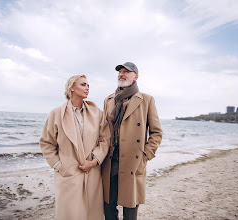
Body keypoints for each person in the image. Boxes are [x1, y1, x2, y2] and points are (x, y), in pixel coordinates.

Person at [39, 75, 110, 220]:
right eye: (83, 84)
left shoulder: (97, 113)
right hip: (68, 173)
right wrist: (59, 165)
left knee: (92, 214)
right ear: (72, 87)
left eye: (88, 85)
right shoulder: (56, 113)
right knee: (69, 214)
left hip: (92, 172)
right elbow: (47, 142)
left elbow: (106, 139)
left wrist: (94, 161)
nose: (87, 88)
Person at [102, 62, 163, 220]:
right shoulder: (109, 100)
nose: (121, 74)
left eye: (126, 72)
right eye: (120, 72)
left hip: (133, 161)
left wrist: (145, 155)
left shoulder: (146, 100)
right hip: (110, 161)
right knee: (108, 207)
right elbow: (102, 129)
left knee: (130, 209)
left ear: (135, 76)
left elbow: (156, 132)